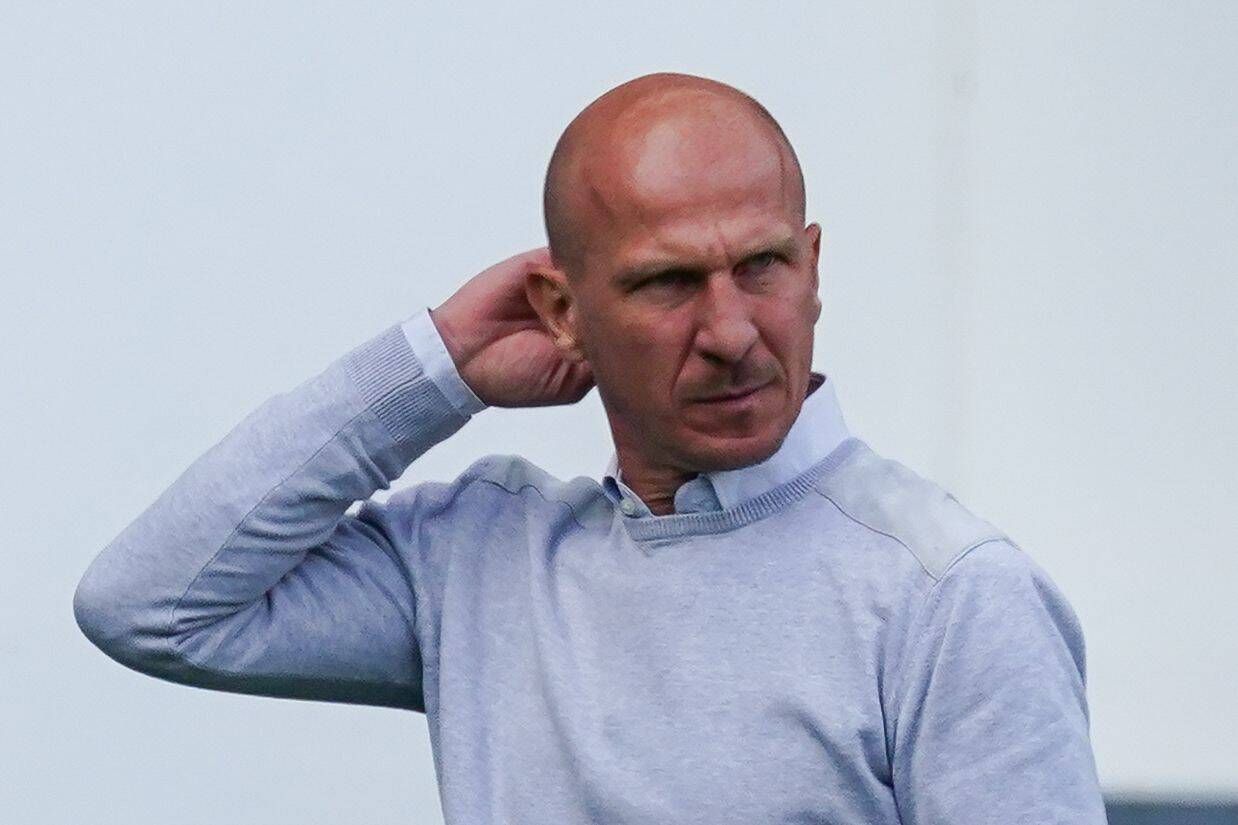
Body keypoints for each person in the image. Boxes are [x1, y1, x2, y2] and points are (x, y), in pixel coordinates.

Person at [73, 72, 1107, 823]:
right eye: (666, 282)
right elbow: (152, 607)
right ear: (561, 310)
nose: (732, 331)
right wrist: (434, 367)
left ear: (813, 265)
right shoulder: (482, 560)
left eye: (761, 266)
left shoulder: (949, 593)